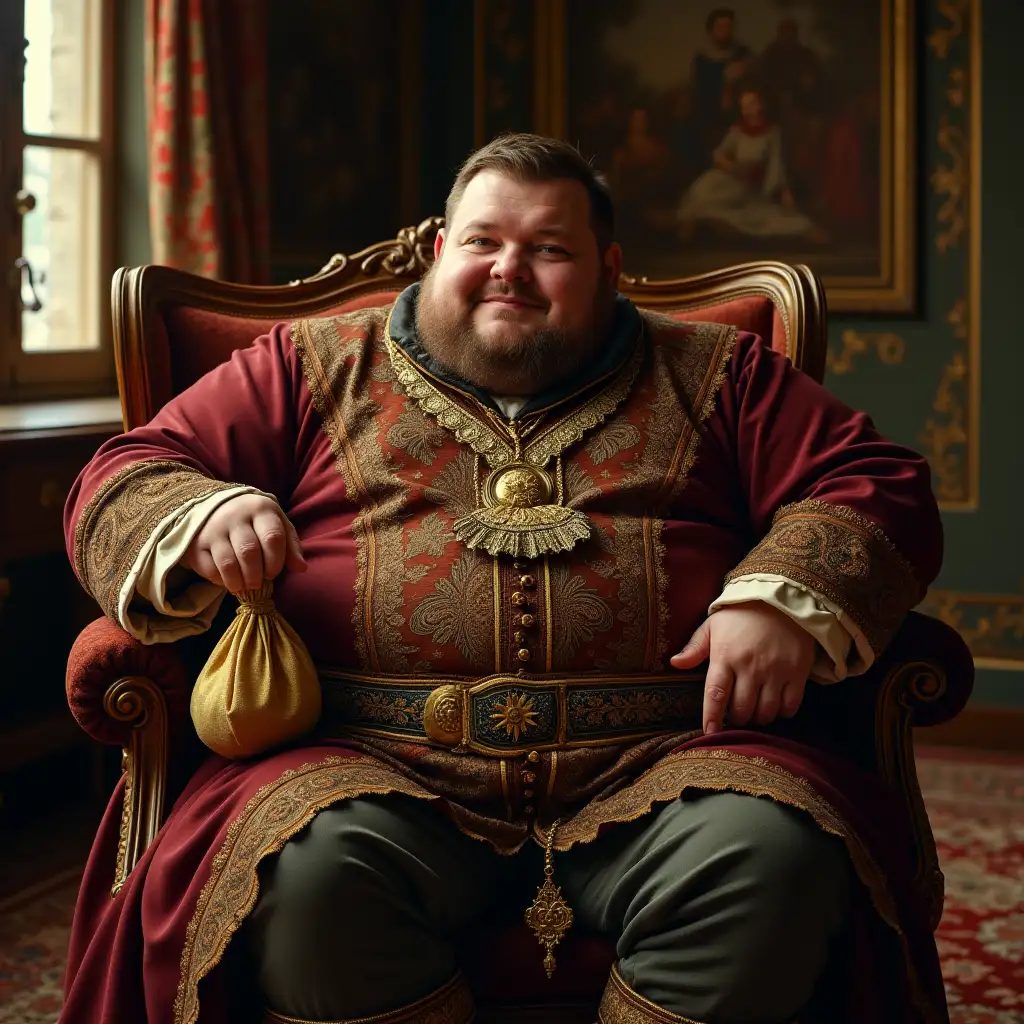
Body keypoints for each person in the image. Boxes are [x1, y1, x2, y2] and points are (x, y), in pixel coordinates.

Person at [62, 133, 947, 1024]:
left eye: (548, 250)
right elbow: (128, 472)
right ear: (443, 250)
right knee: (306, 868)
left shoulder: (721, 374)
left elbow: (876, 481)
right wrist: (205, 513)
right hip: (362, 767)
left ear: (608, 268)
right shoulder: (305, 366)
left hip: (670, 767)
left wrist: (780, 596)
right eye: (483, 241)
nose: (508, 271)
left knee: (774, 852)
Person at [678, 88, 825, 243]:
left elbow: (776, 164)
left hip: (748, 185)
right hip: (730, 178)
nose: (749, 109)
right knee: (703, 190)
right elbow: (718, 154)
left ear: (762, 105)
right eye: (745, 105)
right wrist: (731, 166)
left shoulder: (771, 133)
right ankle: (687, 232)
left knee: (765, 215)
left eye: (753, 103)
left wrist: (783, 190)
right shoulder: (737, 131)